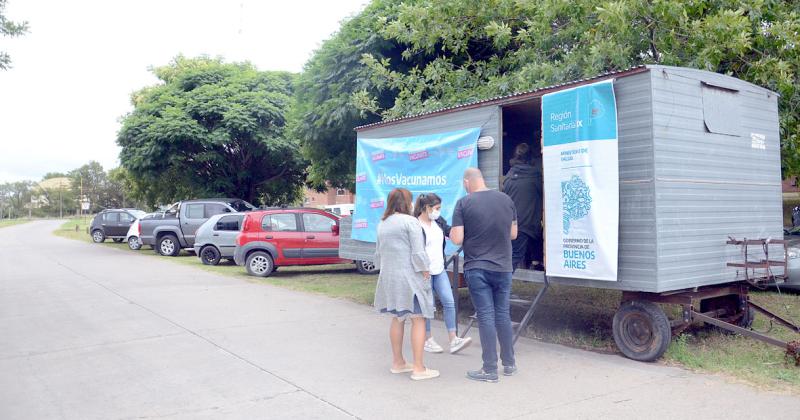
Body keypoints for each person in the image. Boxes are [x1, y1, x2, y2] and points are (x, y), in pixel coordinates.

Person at [450, 168, 518, 382]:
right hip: (503, 267)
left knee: (486, 316)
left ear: (467, 181)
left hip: (478, 267)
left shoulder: (464, 203)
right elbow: (513, 234)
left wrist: (452, 231)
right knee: (503, 314)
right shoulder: (506, 200)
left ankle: (489, 369)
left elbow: (457, 238)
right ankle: (509, 364)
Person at [373, 188, 439, 381]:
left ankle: (398, 362)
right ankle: (419, 368)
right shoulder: (410, 222)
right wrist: (426, 270)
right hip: (410, 278)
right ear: (406, 203)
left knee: (398, 318)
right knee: (418, 319)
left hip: (390, 278)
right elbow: (418, 252)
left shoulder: (382, 223)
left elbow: (378, 253)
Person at [414, 193, 473, 354]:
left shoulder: (438, 221)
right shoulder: (415, 225)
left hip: (439, 269)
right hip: (423, 272)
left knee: (449, 301)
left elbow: (451, 233)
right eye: (437, 208)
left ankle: (453, 339)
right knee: (428, 306)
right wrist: (421, 268)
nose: (439, 211)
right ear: (427, 208)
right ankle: (428, 339)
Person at [503, 143, 543, 271]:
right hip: (529, 222)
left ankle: (534, 264)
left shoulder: (508, 177)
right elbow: (543, 195)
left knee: (514, 255)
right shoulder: (535, 176)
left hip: (511, 222)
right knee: (515, 257)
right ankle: (499, 287)